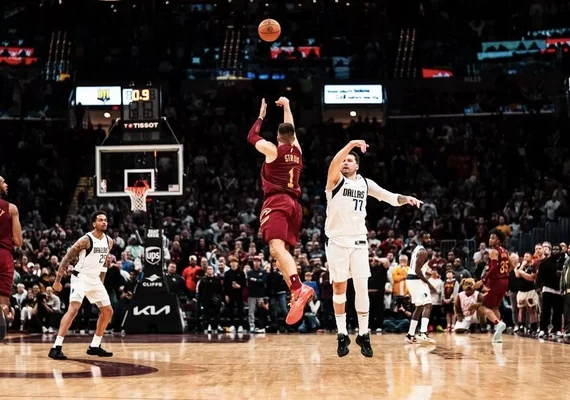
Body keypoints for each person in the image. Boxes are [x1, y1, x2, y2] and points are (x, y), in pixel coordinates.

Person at [324, 141, 422, 357]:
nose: (345, 162)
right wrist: (350, 145)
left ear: (357, 165)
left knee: (361, 287)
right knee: (339, 288)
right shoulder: (335, 180)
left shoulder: (365, 184)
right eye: (344, 160)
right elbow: (334, 162)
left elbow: (390, 197)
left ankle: (364, 334)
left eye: (350, 160)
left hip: (358, 241)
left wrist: (406, 199)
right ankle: (342, 334)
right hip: (337, 242)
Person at [247, 97, 313, 325]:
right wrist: (287, 106)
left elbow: (252, 137)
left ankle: (297, 287)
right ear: (293, 137)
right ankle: (296, 292)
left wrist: (261, 116)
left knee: (275, 248)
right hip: (296, 205)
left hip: (277, 201)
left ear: (277, 138)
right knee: (280, 253)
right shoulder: (298, 150)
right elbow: (290, 129)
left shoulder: (273, 150)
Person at [49, 210, 114, 360]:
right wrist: (58, 280)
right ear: (94, 223)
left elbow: (104, 262)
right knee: (74, 309)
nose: (104, 222)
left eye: (105, 220)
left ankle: (94, 346)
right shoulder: (85, 239)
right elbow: (67, 258)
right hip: (81, 277)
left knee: (107, 311)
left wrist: (101, 282)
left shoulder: (109, 241)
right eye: (100, 220)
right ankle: (56, 347)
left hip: (95, 280)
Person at [473, 229, 511, 343]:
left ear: (499, 240)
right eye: (490, 237)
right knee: (495, 308)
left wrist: (482, 281)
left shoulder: (493, 251)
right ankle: (498, 335)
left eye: (493, 238)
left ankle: (498, 324)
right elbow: (513, 265)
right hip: (504, 282)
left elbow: (494, 268)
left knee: (484, 306)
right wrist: (504, 273)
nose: (490, 239)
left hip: (495, 282)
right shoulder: (504, 251)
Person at [0, 176, 23, 340]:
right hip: (3, 255)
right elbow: (19, 241)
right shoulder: (11, 208)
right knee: (3, 301)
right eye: (2, 181)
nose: (6, 184)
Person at [405, 232, 437, 344]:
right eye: (426, 237)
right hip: (415, 280)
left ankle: (410, 335)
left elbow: (419, 268)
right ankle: (423, 333)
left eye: (429, 236)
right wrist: (428, 283)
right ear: (421, 239)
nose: (429, 239)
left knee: (419, 307)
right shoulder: (423, 251)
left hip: (412, 279)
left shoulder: (418, 249)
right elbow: (418, 271)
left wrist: (428, 272)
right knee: (428, 304)